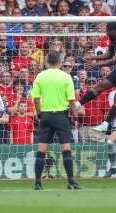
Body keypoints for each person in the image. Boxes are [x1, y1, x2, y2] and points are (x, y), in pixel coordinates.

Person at [32, 51, 82, 190]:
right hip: (61, 116)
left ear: (47, 62)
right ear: (60, 62)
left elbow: (36, 98)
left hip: (46, 115)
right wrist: (75, 116)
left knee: (42, 149)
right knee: (65, 148)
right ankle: (71, 182)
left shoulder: (40, 76)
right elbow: (71, 100)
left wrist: (39, 113)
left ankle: (37, 183)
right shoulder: (66, 77)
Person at [76, 22, 116, 133]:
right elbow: (109, 54)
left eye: (107, 30)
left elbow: (115, 60)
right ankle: (78, 104)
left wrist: (96, 64)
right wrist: (93, 57)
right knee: (100, 86)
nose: (106, 32)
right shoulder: (114, 40)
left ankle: (105, 124)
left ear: (113, 31)